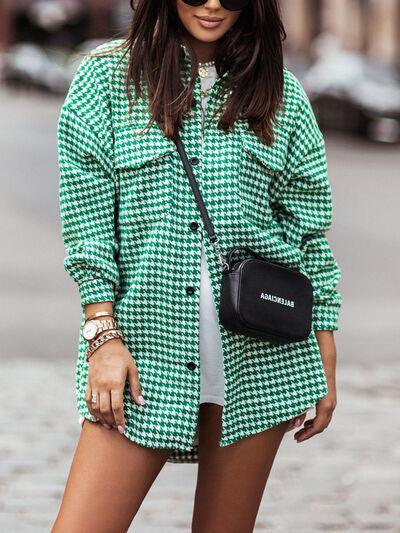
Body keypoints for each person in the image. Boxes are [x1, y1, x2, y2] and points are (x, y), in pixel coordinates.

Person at [53, 0, 342, 531]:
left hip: (263, 364)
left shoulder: (281, 95)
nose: (213, 3)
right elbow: (87, 225)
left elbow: (308, 235)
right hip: (145, 354)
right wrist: (102, 334)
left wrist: (324, 352)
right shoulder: (106, 80)